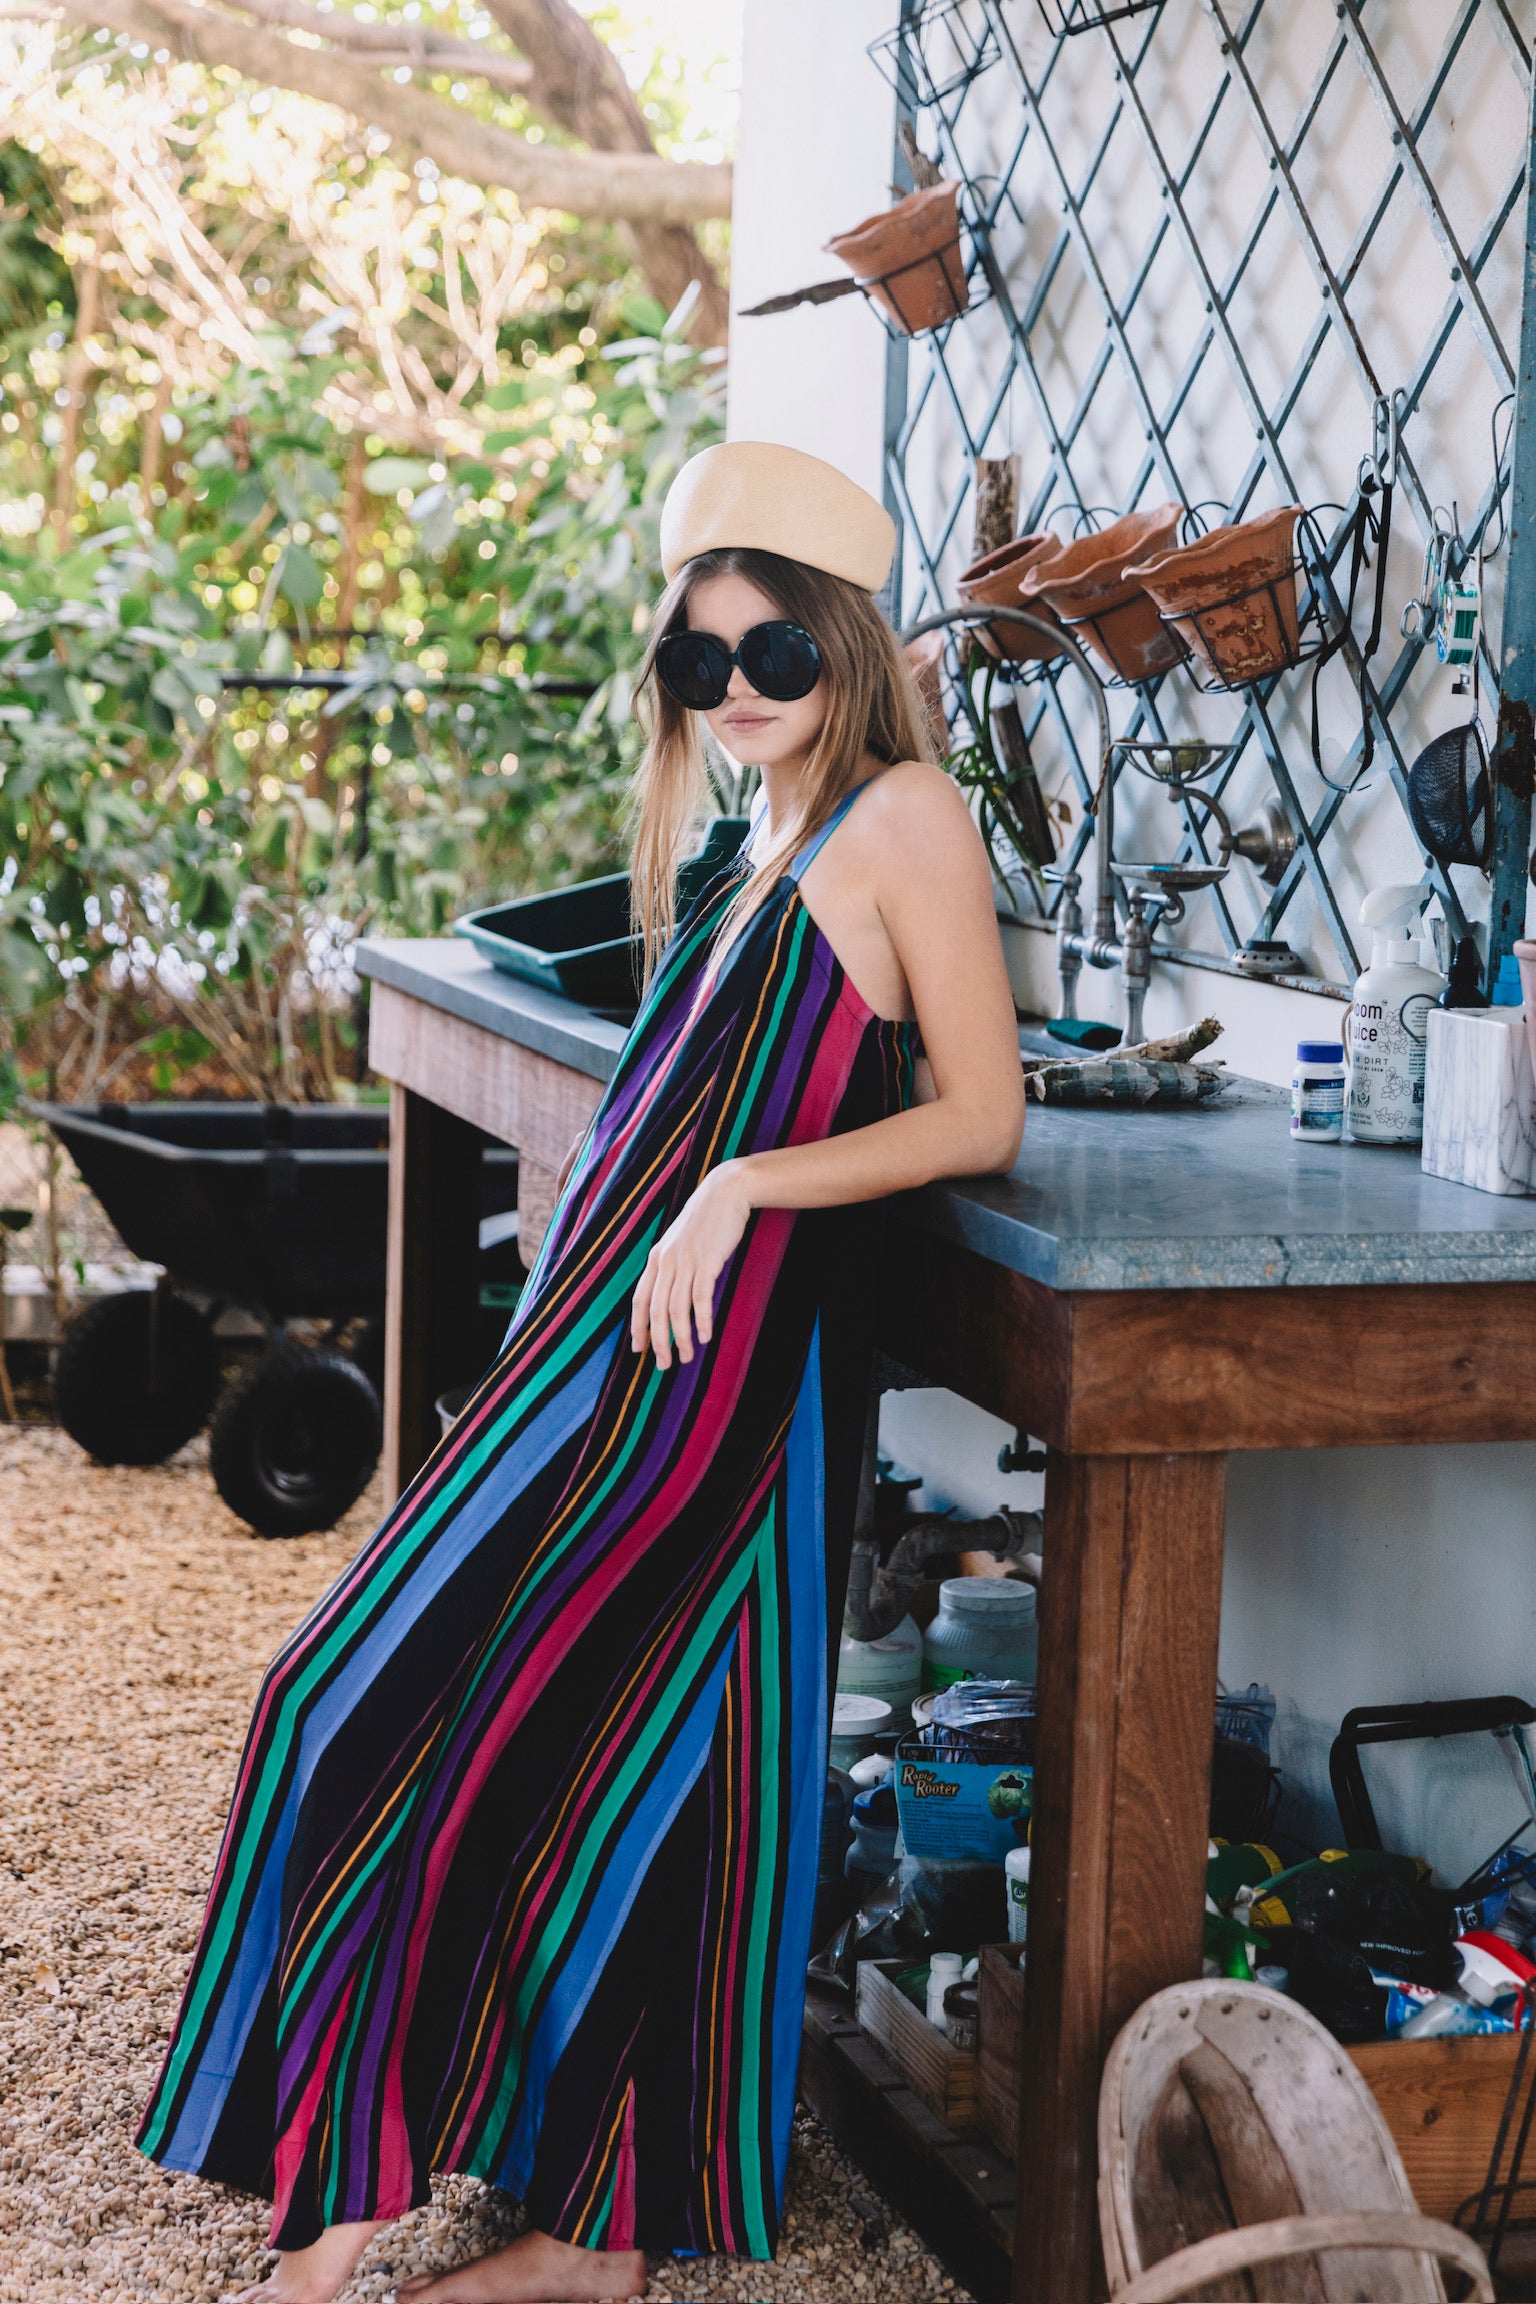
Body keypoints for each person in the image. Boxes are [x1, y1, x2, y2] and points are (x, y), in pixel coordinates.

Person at [136, 440, 1026, 2304]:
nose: (735, 691)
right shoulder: (766, 827)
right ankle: (598, 2229)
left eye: (772, 652)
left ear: (845, 643)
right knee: (645, 1766)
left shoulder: (905, 819)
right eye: (699, 662)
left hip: (698, 1388)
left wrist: (742, 1185)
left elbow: (981, 1111)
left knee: (371, 1710)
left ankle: (344, 2226)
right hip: (603, 1356)